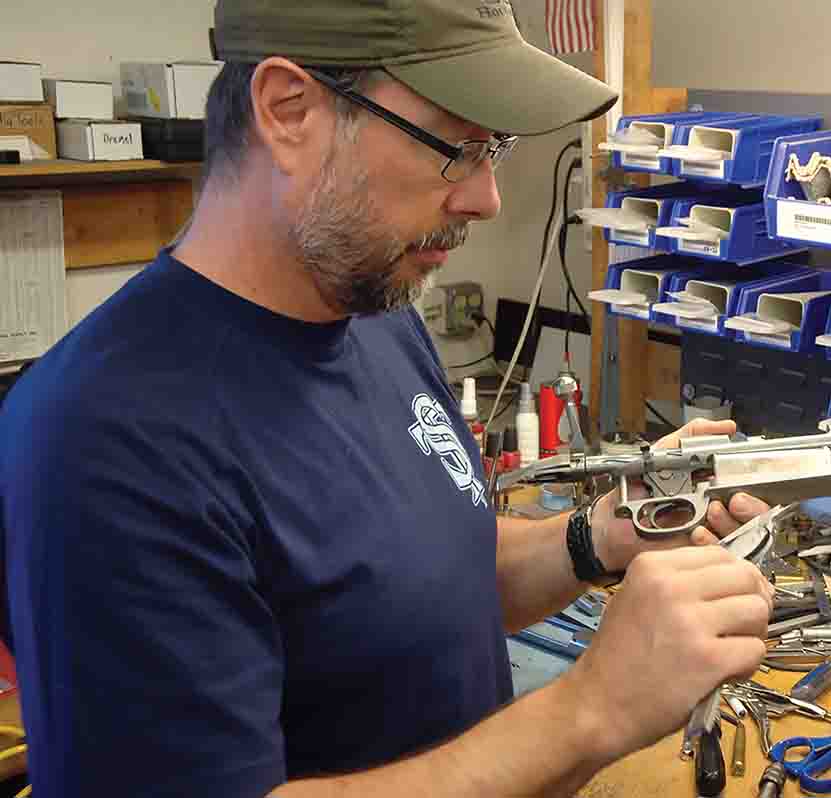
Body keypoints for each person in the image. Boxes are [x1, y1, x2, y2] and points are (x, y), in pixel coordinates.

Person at [0, 2, 775, 796]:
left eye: (495, 147)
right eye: (457, 147)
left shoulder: (374, 314)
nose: (486, 197)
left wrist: (604, 534)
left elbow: (414, 579)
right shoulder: (104, 440)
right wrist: (593, 710)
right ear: (288, 111)